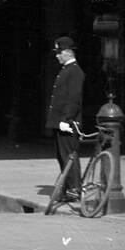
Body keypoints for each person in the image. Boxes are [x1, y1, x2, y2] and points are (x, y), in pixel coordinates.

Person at [47, 35, 84, 195]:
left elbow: (73, 98)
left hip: (68, 123)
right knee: (62, 155)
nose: (57, 56)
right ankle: (68, 187)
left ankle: (75, 188)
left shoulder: (75, 71)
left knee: (69, 156)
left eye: (59, 52)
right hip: (60, 121)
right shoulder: (66, 70)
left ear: (68, 52)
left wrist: (67, 119)